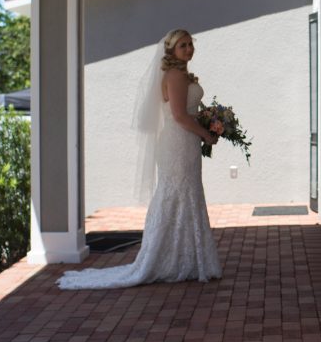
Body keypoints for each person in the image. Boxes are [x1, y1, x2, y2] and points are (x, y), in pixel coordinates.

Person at [57, 28, 223, 290]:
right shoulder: (175, 75)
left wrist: (208, 121)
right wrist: (206, 134)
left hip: (183, 141)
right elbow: (179, 115)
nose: (189, 49)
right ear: (172, 50)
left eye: (190, 44)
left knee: (184, 194)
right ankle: (171, 259)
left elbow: (185, 111)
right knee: (177, 194)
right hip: (179, 142)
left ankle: (185, 258)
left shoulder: (178, 74)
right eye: (183, 45)